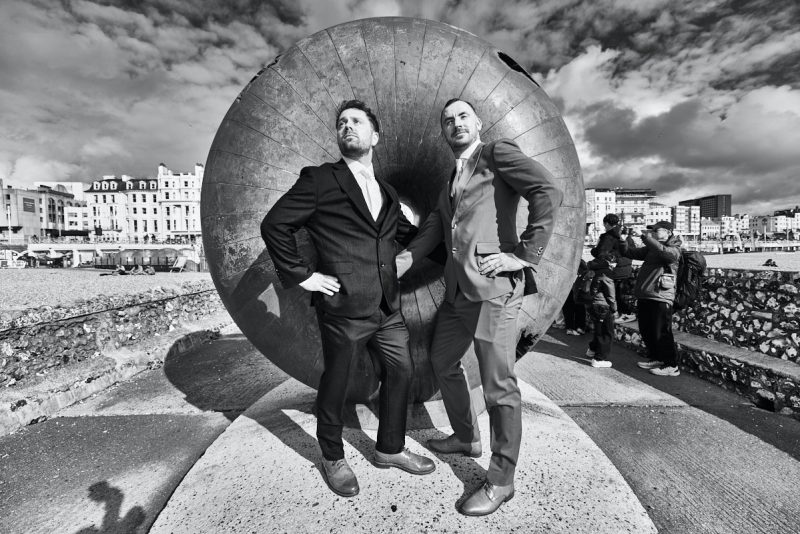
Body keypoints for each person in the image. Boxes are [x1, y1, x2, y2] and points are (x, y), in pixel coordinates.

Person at [261, 100, 434, 498]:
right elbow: (275, 225)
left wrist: (458, 253)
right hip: (343, 307)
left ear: (375, 136)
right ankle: (332, 456)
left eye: (356, 121)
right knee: (336, 382)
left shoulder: (387, 191)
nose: (347, 126)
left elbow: (406, 236)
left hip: (388, 307)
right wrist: (304, 277)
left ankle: (389, 448)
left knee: (402, 371)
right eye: (341, 123)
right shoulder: (320, 179)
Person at [396, 98, 561, 516]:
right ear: (443, 131)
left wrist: (523, 255)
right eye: (448, 120)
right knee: (442, 359)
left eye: (463, 116)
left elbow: (548, 190)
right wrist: (399, 264)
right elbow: (433, 230)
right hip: (458, 293)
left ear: (478, 122)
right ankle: (466, 437)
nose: (456, 123)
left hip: (494, 289)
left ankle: (501, 480)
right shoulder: (449, 181)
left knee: (498, 385)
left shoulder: (496, 154)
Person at [622, 221, 682, 376]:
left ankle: (671, 365)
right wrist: (621, 240)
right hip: (646, 294)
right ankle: (657, 358)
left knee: (662, 332)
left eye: (657, 230)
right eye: (652, 230)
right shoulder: (652, 248)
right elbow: (631, 253)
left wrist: (644, 237)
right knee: (647, 330)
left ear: (668, 232)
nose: (653, 232)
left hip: (661, 296)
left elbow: (665, 254)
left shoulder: (674, 248)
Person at [591, 214, 634, 322]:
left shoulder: (607, 237)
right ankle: (626, 313)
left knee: (611, 295)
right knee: (622, 294)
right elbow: (632, 252)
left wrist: (593, 250)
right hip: (626, 269)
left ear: (606, 223)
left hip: (613, 270)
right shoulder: (626, 236)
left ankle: (617, 314)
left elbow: (600, 254)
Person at [585, 253, 617, 368]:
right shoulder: (606, 273)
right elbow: (610, 295)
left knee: (599, 329)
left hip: (591, 303)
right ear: (610, 261)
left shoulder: (592, 269)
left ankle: (592, 350)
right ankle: (599, 359)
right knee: (606, 332)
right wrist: (614, 309)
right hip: (602, 305)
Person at [562, 259, 588, 335]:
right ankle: (579, 327)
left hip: (568, 287)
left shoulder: (567, 262)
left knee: (568, 309)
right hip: (578, 288)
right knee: (580, 308)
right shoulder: (581, 261)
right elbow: (585, 269)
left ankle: (569, 328)